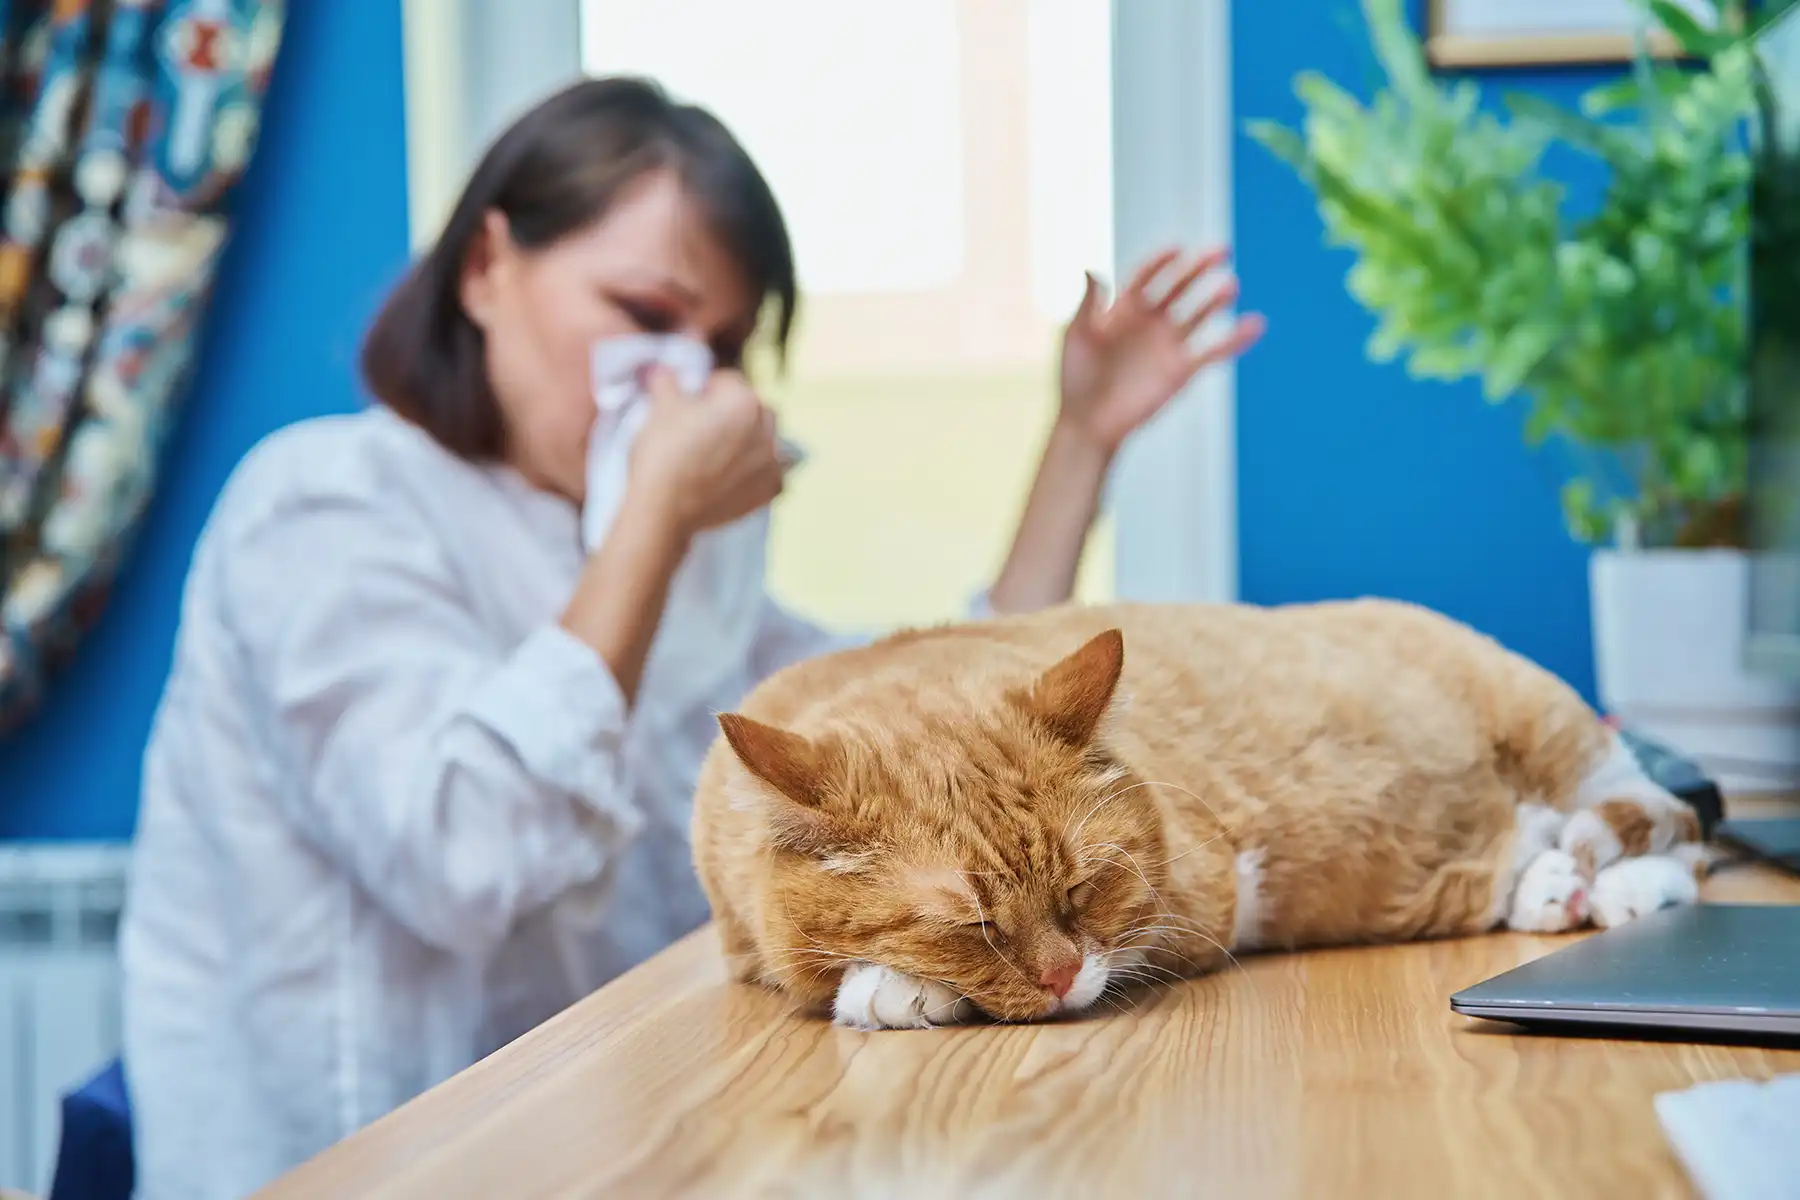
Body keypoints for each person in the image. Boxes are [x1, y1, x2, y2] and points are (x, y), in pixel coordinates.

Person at [119, 76, 1265, 1199]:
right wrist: (656, 519)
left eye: (718, 349)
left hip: (621, 1137)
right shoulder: (319, 508)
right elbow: (461, 861)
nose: (678, 378)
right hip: (360, 1160)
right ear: (484, 266)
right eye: (644, 317)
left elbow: (933, 746)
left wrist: (1083, 438)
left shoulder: (683, 557)